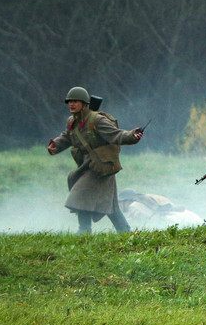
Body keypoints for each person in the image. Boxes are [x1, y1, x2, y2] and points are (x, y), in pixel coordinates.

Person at [47, 86, 145, 234]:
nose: (71, 104)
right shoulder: (72, 121)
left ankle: (84, 231)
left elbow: (116, 135)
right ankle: (125, 232)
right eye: (69, 101)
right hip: (87, 164)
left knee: (80, 194)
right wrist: (56, 144)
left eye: (75, 101)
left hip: (102, 165)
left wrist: (132, 135)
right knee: (111, 206)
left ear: (84, 103)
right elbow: (67, 136)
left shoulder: (97, 120)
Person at [118, 190, 203, 227]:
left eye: (120, 202)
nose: (120, 205)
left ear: (126, 200)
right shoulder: (149, 197)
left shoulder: (134, 207)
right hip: (191, 217)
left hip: (175, 222)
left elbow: (131, 227)